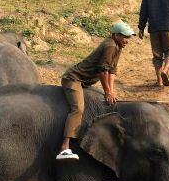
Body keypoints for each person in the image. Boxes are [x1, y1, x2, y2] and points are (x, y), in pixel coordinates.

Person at [56, 21, 134, 161]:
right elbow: (103, 71)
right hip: (74, 79)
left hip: (85, 82)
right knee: (78, 109)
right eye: (124, 37)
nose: (127, 40)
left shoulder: (118, 45)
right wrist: (107, 92)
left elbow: (111, 71)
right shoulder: (110, 45)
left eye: (128, 37)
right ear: (115, 35)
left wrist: (111, 91)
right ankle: (65, 147)